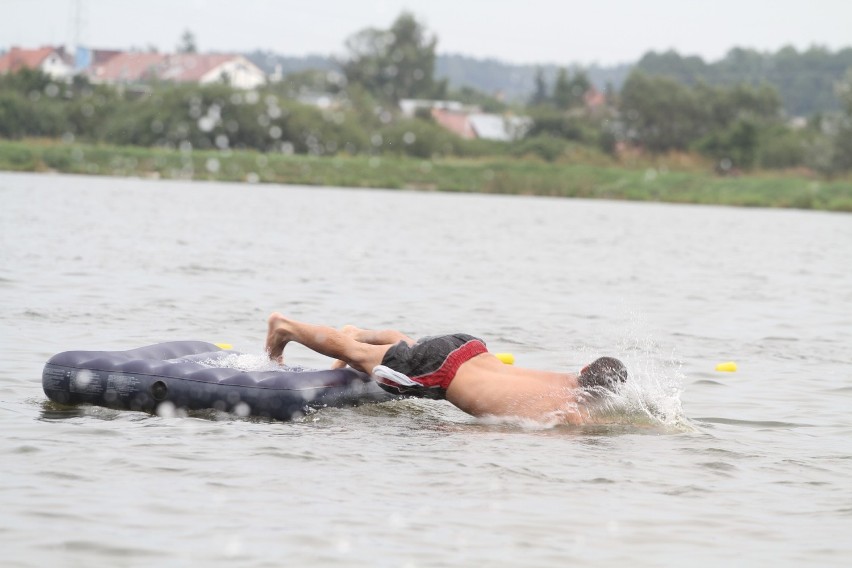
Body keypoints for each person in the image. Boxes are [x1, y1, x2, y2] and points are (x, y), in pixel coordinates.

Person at [265, 312, 628, 424]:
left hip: (469, 347)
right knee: (356, 354)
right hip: (442, 371)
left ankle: (357, 333)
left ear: (584, 369)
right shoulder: (569, 413)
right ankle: (286, 328)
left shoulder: (567, 379)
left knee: (412, 350)